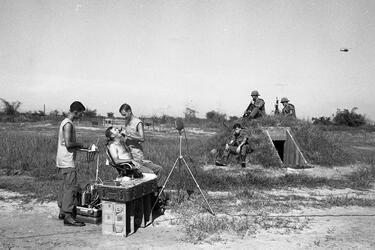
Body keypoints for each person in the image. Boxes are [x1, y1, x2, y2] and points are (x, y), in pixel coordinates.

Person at [56, 101, 89, 227]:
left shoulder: (65, 122)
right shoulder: (68, 124)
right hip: (67, 161)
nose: (81, 116)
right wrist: (81, 145)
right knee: (71, 188)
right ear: (76, 111)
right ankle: (68, 216)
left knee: (65, 186)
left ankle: (62, 211)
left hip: (62, 159)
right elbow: (69, 144)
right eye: (81, 113)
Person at [118, 103, 164, 185]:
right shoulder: (127, 121)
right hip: (129, 155)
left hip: (137, 155)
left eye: (125, 114)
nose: (124, 117)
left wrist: (129, 135)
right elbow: (127, 138)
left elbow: (142, 138)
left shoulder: (138, 122)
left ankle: (157, 192)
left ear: (129, 111)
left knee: (157, 170)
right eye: (123, 115)